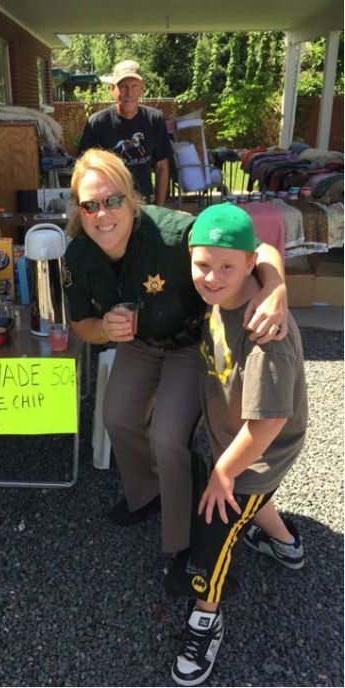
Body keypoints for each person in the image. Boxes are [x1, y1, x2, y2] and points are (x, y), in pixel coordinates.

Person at [62, 148, 289, 561]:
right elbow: (81, 325)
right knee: (116, 415)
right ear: (79, 211)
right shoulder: (78, 255)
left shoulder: (172, 232)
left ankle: (182, 541)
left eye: (112, 200)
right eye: (89, 205)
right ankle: (147, 493)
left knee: (167, 436)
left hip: (189, 342)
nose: (102, 214)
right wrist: (103, 328)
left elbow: (256, 248)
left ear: (131, 198)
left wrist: (275, 289)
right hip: (141, 342)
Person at [166, 203, 306, 687]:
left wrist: (223, 472)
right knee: (252, 503)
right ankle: (287, 545)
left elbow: (269, 423)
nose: (211, 276)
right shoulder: (221, 299)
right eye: (202, 264)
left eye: (227, 266)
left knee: (215, 524)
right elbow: (259, 248)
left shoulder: (265, 332)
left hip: (256, 449)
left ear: (251, 264)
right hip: (236, 438)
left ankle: (206, 615)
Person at [77, 60, 172, 205]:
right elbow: (84, 169)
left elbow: (162, 166)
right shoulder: (97, 123)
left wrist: (160, 207)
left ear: (142, 89)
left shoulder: (154, 119)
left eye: (134, 86)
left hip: (145, 203)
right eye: (123, 87)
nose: (129, 93)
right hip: (112, 204)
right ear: (112, 89)